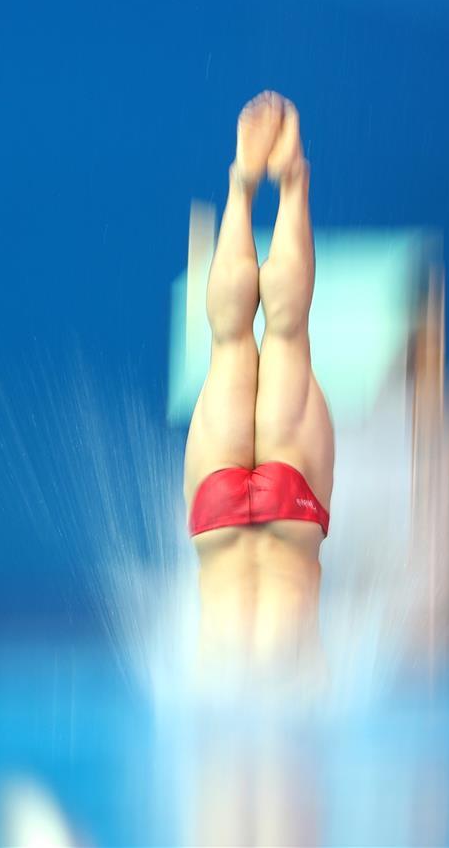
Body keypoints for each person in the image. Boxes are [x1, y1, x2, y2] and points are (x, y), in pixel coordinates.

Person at [184, 92, 334, 684]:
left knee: (250, 337)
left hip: (242, 522)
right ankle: (252, 186)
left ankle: (265, 184)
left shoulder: (209, 695)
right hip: (244, 521)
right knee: (252, 337)